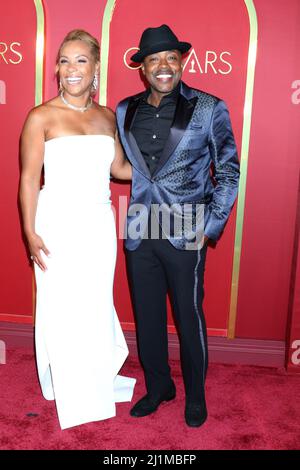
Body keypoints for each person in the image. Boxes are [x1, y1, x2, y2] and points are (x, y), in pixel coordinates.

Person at [116, 24, 240, 427]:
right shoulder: (124, 109)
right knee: (147, 315)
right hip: (139, 225)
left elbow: (229, 171)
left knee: (189, 317)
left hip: (187, 226)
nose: (163, 66)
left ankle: (196, 396)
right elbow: (127, 167)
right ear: (143, 68)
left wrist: (212, 224)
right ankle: (158, 388)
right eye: (154, 59)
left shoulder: (209, 107)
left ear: (181, 61)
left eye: (171, 57)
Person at [19, 29, 135, 430]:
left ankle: (95, 376)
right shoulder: (41, 116)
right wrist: (30, 232)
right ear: (56, 68)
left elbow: (119, 169)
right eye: (65, 61)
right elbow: (30, 179)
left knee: (95, 301)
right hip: (57, 222)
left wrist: (164, 164)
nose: (72, 69)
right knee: (63, 304)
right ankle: (75, 388)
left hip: (99, 224)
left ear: (96, 68)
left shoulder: (107, 117)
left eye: (81, 60)